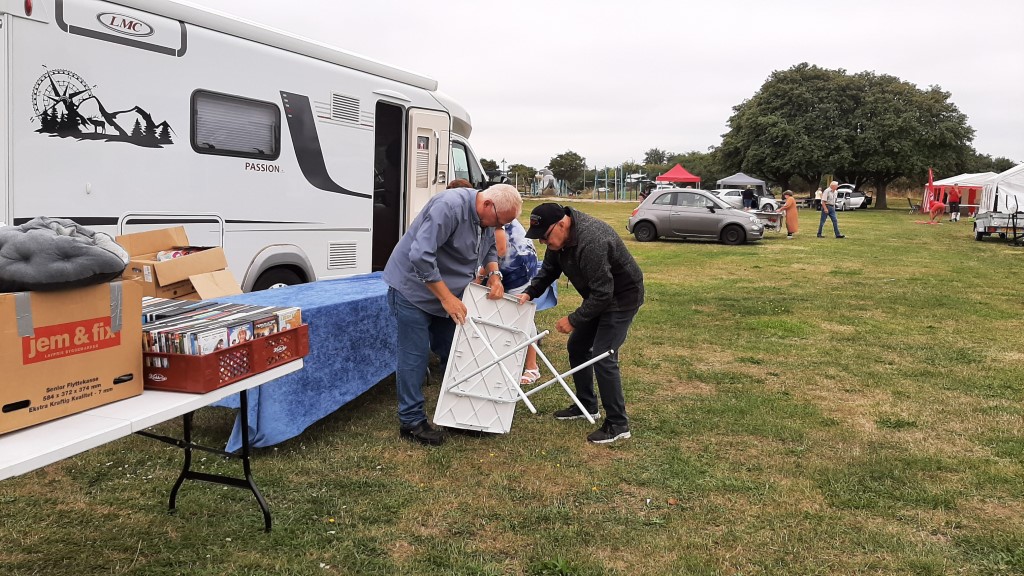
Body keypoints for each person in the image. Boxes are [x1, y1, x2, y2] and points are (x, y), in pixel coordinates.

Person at [383, 183, 523, 445]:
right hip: (413, 290)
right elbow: (420, 256)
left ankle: (459, 415)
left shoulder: (487, 219)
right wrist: (447, 298)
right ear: (488, 205)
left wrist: (494, 274)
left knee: (457, 350)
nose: (498, 228)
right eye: (499, 222)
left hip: (448, 295)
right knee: (414, 356)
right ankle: (411, 422)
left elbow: (490, 248)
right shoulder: (448, 206)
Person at [516, 203, 645, 444]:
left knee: (603, 356)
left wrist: (574, 320)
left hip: (621, 298)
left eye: (544, 236)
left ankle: (618, 424)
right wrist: (530, 292)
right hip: (599, 296)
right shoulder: (559, 240)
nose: (543, 242)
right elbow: (549, 269)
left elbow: (604, 293)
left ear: (562, 224)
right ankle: (586, 404)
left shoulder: (592, 240)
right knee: (577, 347)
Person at [491, 217, 558, 386]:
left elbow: (500, 249)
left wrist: (482, 275)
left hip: (517, 265)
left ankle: (532, 367)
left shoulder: (495, 217)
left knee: (522, 316)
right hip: (512, 260)